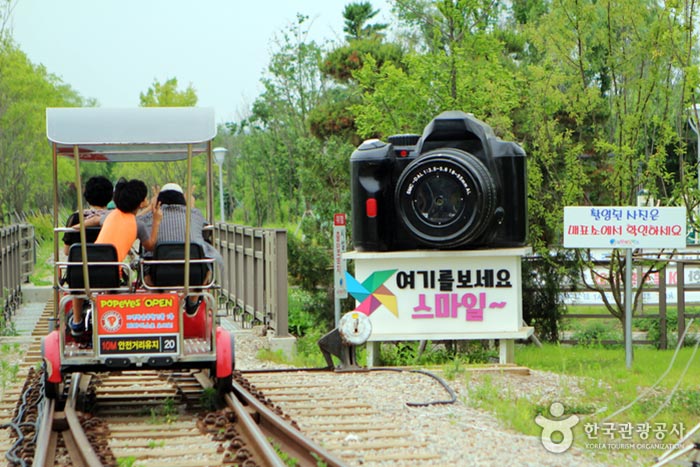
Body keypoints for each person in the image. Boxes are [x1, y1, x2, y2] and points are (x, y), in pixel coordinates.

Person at [68, 178, 162, 336]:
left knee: (80, 283)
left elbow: (95, 220)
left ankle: (77, 322)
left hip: (83, 269)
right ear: (140, 203)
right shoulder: (138, 225)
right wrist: (156, 221)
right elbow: (150, 245)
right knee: (119, 283)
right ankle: (111, 323)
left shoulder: (111, 215)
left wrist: (75, 227)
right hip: (109, 274)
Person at [139, 182, 223, 315]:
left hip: (159, 274)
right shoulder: (195, 214)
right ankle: (193, 300)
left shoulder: (151, 216)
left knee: (145, 261)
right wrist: (191, 205)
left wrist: (151, 207)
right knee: (207, 261)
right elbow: (203, 225)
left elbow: (135, 221)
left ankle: (160, 300)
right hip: (193, 273)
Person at [62, 175, 113, 255]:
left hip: (80, 262)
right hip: (108, 262)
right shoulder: (113, 218)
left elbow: (67, 251)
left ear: (87, 196)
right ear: (110, 196)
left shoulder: (75, 218)